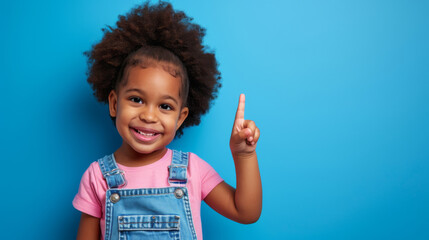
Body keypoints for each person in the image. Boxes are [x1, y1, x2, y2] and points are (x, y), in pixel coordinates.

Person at [73, 2, 261, 240]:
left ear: (181, 117)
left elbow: (246, 212)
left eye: (165, 106)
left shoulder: (193, 170)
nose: (149, 116)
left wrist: (244, 156)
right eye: (136, 99)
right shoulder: (97, 176)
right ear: (114, 103)